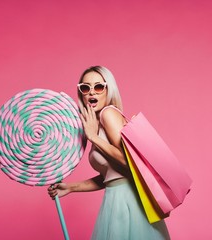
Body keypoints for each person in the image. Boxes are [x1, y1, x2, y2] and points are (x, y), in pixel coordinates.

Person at [48, 66, 170, 240]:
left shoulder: (109, 114)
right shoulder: (96, 124)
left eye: (98, 87)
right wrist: (70, 188)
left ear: (108, 89)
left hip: (130, 202)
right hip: (115, 199)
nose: (92, 93)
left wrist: (94, 138)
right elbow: (113, 176)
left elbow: (130, 163)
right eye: (85, 87)